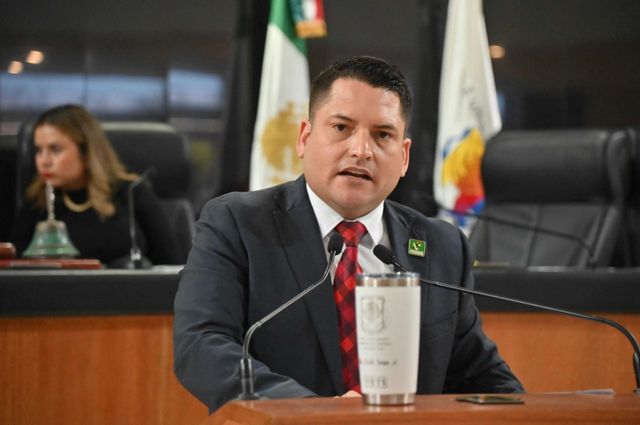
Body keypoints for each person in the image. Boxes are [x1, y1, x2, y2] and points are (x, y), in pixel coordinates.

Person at [173, 56, 522, 412]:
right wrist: (320, 414)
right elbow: (201, 346)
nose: (361, 151)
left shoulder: (442, 246)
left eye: (382, 135)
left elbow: (477, 372)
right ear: (305, 138)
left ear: (403, 157)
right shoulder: (237, 223)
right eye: (341, 128)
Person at [11, 104, 180, 266]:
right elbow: (16, 271)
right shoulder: (36, 201)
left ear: (86, 152)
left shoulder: (131, 191)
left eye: (55, 149)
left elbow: (171, 266)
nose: (44, 161)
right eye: (39, 150)